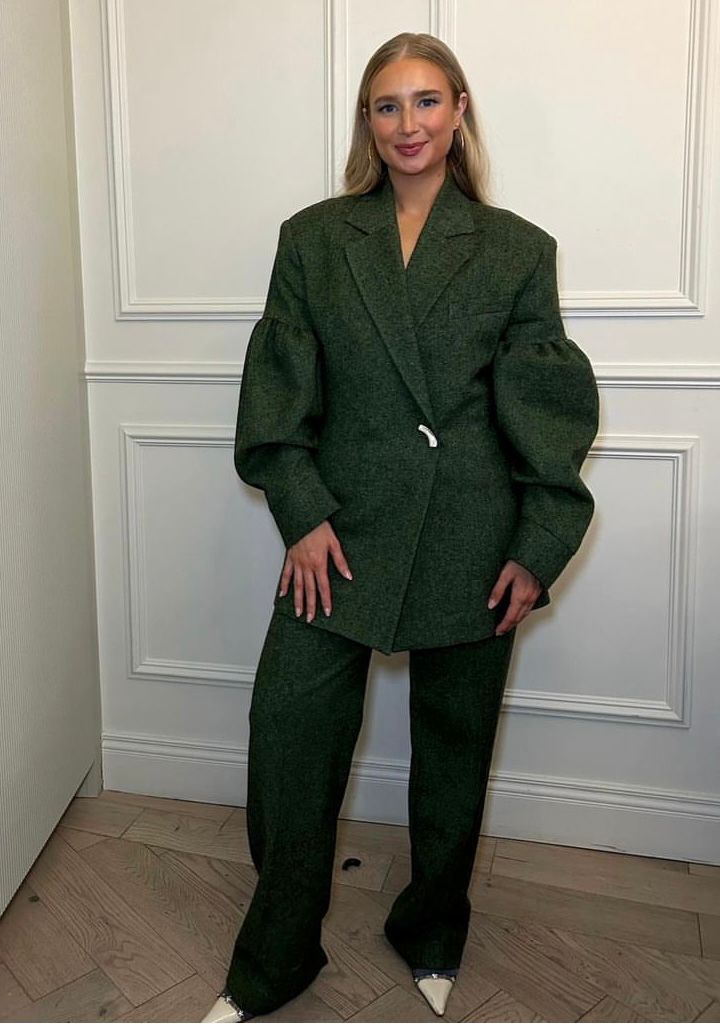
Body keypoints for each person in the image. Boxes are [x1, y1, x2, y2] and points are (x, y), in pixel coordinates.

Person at [203, 31, 599, 1023]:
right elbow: (277, 395)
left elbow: (545, 416)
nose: (407, 124)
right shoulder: (313, 238)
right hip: (336, 531)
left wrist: (536, 546)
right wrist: (301, 514)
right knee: (288, 737)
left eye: (426, 101)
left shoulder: (517, 249)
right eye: (387, 105)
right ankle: (273, 959)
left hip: (474, 533)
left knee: (455, 751)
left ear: (458, 110)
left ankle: (430, 929)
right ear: (367, 122)